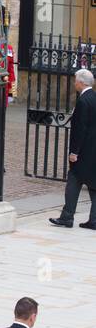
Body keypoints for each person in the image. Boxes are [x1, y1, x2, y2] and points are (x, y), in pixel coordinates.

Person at [49, 68, 96, 229]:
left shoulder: (83, 101)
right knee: (93, 184)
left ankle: (67, 217)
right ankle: (94, 219)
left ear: (81, 82)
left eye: (76, 80)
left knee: (74, 181)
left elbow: (80, 129)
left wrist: (74, 152)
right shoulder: (94, 97)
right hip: (93, 151)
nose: (74, 83)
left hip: (83, 151)